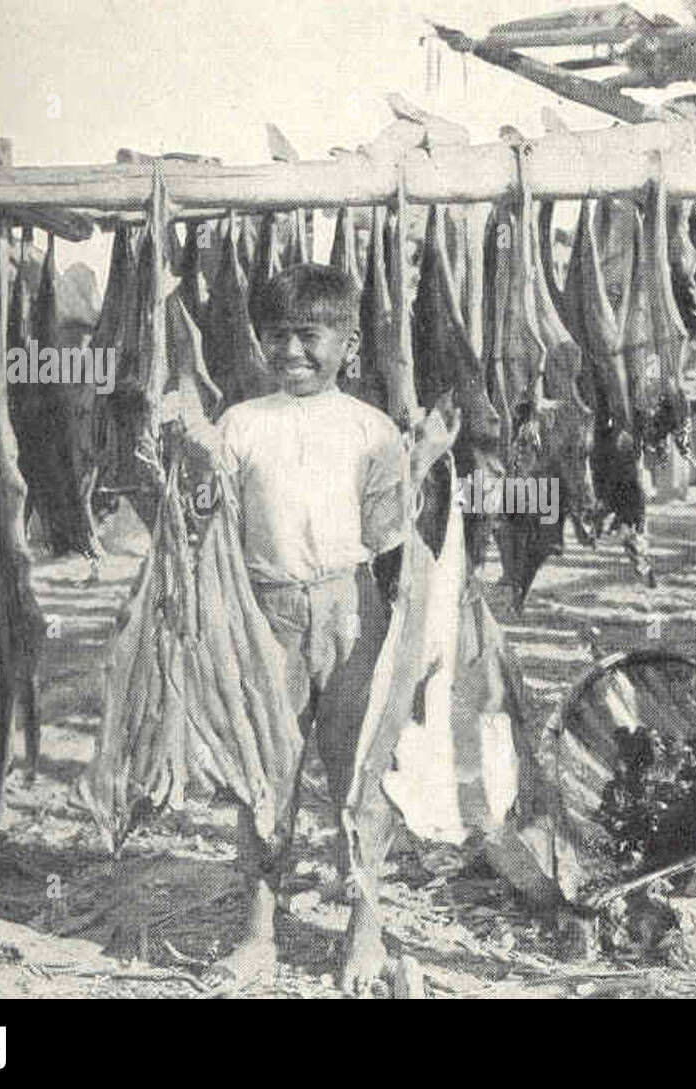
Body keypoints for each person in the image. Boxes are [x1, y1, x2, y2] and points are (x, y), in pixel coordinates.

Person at [181, 263, 419, 995]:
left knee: (361, 774)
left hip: (351, 610)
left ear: (349, 344)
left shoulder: (372, 430)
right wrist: (187, 454)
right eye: (276, 335)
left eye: (309, 336)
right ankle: (257, 931)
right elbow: (206, 521)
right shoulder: (241, 424)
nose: (291, 351)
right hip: (264, 614)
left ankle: (366, 928)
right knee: (264, 774)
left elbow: (394, 544)